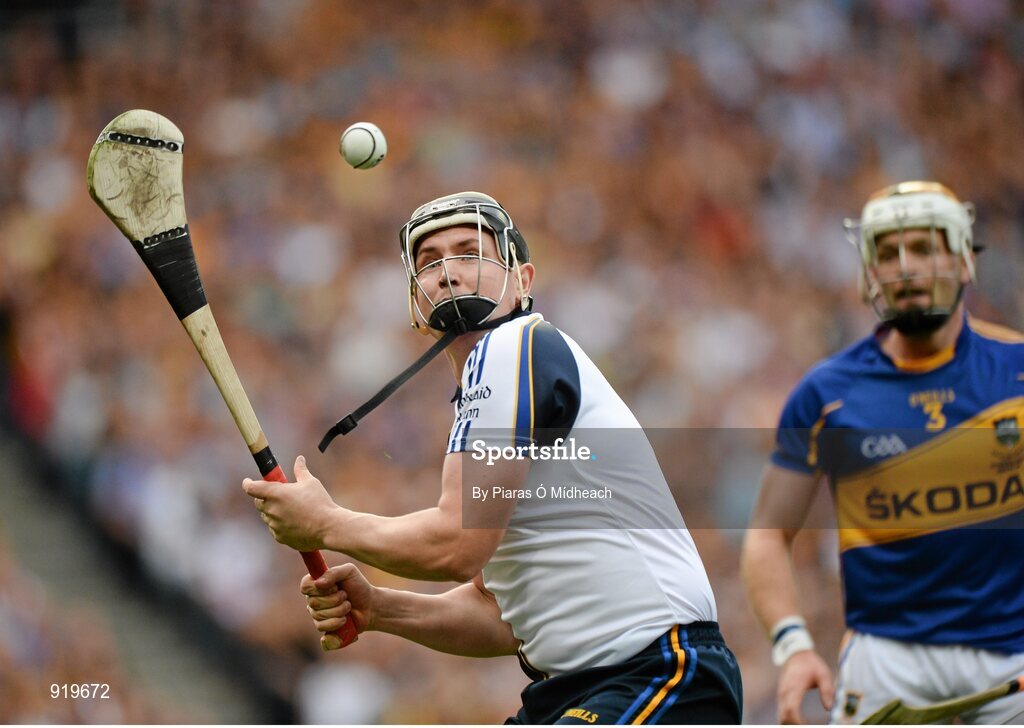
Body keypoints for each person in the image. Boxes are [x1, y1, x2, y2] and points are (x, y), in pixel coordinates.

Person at [242, 192, 742, 724]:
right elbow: (501, 614)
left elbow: (457, 544)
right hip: (584, 688)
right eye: (429, 261)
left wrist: (326, 523)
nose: (448, 271)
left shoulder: (514, 347)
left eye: (469, 252)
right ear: (415, 302)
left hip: (657, 672)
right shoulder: (490, 395)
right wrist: (381, 608)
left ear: (523, 281)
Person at [741, 181, 1024, 724]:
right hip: (886, 664)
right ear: (868, 273)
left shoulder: (1016, 371)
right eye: (887, 253)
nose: (905, 267)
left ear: (965, 260)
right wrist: (793, 644)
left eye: (923, 248)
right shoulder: (825, 392)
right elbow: (767, 534)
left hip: (1013, 655)